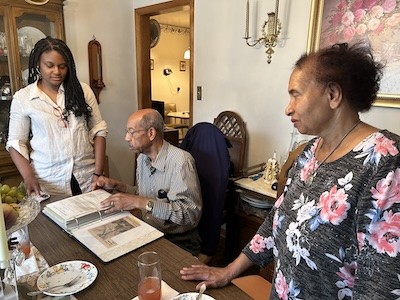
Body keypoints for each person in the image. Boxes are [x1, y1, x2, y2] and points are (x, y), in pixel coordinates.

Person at [180, 43, 400, 299]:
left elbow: (380, 285)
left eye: (296, 94)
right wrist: (228, 271)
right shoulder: (309, 152)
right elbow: (276, 221)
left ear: (332, 95)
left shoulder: (385, 162)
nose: (288, 108)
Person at [6, 37, 108, 196]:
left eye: (62, 66)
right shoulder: (23, 98)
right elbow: (15, 143)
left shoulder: (82, 91)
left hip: (87, 178)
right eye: (50, 65)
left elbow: (99, 131)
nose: (57, 72)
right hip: (48, 181)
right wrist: (28, 177)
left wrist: (98, 172)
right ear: (38, 64)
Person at [95, 108, 202, 256]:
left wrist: (137, 202)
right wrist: (116, 186)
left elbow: (189, 215)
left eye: (131, 132)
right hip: (149, 230)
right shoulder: (142, 158)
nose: (126, 138)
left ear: (151, 133)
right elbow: (142, 195)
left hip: (178, 242)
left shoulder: (181, 162)